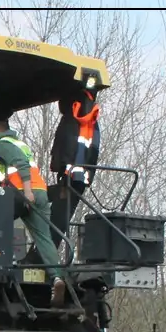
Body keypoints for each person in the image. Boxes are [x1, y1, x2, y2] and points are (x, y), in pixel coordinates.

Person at [0, 119, 67, 307]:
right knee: (44, 238)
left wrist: (26, 193)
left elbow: (21, 165)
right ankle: (57, 278)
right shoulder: (19, 143)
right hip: (41, 192)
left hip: (23, 194)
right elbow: (16, 169)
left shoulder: (2, 144)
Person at [48, 89, 102, 244]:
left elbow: (66, 147)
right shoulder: (91, 121)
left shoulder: (71, 120)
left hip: (70, 177)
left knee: (56, 217)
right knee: (58, 218)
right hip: (79, 177)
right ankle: (43, 253)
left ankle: (43, 254)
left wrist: (63, 170)